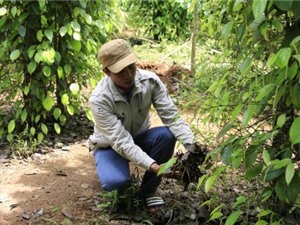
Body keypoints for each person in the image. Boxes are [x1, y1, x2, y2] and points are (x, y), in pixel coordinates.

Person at [88, 38, 196, 212]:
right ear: (107, 72)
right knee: (117, 185)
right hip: (109, 145)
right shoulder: (99, 100)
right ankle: (113, 172)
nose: (128, 75)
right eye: (120, 71)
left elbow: (171, 116)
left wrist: (193, 146)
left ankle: (148, 191)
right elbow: (122, 142)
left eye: (131, 67)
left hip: (140, 136)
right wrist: (155, 167)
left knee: (166, 136)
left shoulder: (150, 82)